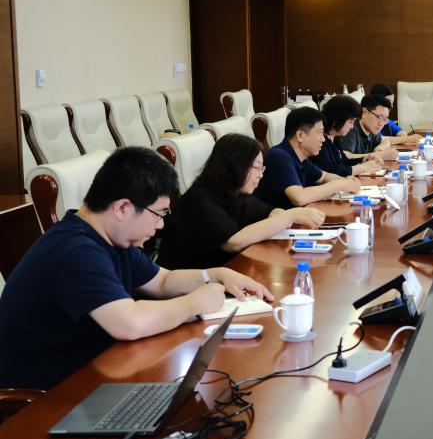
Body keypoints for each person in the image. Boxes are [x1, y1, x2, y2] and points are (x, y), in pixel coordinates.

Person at [0, 147, 274, 390]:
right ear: (123, 208)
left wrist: (215, 275)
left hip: (94, 373)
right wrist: (194, 303)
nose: (161, 225)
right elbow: (129, 323)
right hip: (46, 398)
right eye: (159, 213)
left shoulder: (112, 238)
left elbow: (163, 281)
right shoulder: (75, 250)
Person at [158, 134, 327, 269]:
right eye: (257, 167)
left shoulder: (235, 192)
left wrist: (278, 214)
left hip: (225, 273)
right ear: (235, 165)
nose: (261, 175)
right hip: (186, 287)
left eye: (262, 168)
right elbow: (234, 242)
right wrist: (290, 216)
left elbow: (267, 211)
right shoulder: (201, 198)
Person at [254, 106, 363, 210]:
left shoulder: (301, 158)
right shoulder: (279, 156)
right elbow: (299, 198)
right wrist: (340, 184)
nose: (323, 139)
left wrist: (347, 182)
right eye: (320, 132)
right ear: (300, 135)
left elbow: (324, 177)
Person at [316, 95, 385, 177]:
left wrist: (364, 159)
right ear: (337, 119)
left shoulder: (334, 137)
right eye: (350, 122)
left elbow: (343, 160)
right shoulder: (320, 141)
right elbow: (332, 172)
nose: (352, 126)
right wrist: (362, 168)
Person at [336, 94, 400, 161]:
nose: (381, 124)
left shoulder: (371, 130)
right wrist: (380, 155)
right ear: (364, 112)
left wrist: (378, 150)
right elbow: (345, 157)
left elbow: (385, 141)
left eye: (385, 119)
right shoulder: (350, 128)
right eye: (379, 117)